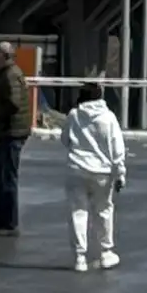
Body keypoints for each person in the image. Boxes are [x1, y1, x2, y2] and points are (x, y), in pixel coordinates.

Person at [62, 81, 126, 271]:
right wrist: (120, 173)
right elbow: (117, 148)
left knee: (78, 211)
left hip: (76, 169)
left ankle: (79, 257)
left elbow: (65, 139)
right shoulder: (108, 117)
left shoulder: (74, 115)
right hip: (102, 172)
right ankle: (106, 252)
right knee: (104, 210)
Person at [0, 42, 31, 235]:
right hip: (6, 132)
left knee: (8, 178)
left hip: (12, 132)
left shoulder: (11, 75)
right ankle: (0, 221)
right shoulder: (3, 73)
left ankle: (8, 222)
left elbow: (13, 103)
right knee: (3, 178)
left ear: (4, 56)